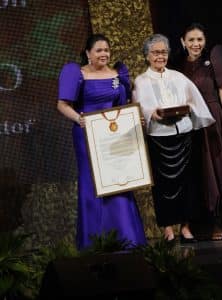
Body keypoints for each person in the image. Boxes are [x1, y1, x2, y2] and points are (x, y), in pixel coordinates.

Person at [57, 34, 146, 250]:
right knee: (93, 185)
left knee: (119, 181)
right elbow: (62, 104)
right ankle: (95, 242)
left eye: (106, 50)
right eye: (98, 50)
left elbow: (124, 104)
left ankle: (127, 238)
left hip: (114, 137)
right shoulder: (75, 73)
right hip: (87, 137)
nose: (104, 54)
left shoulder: (118, 73)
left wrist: (136, 117)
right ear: (88, 53)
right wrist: (79, 119)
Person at [174, 22, 222, 240]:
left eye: (199, 39)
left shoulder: (213, 61)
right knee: (197, 175)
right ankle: (193, 224)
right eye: (191, 39)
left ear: (205, 41)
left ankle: (216, 224)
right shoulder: (178, 68)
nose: (195, 43)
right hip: (191, 125)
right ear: (183, 42)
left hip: (214, 123)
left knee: (216, 174)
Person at [132, 34, 215, 243]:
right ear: (147, 56)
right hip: (159, 138)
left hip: (183, 134)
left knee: (187, 183)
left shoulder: (178, 77)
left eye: (164, 52)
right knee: (163, 185)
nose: (161, 56)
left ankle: (185, 228)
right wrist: (153, 112)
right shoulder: (141, 81)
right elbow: (140, 107)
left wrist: (188, 109)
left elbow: (194, 101)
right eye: (156, 52)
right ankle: (168, 229)